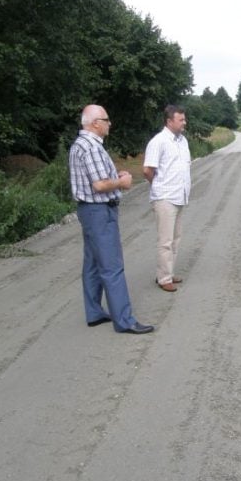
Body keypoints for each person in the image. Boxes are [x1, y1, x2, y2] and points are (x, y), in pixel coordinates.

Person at [68, 104, 154, 334]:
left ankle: (94, 312)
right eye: (106, 119)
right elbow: (99, 185)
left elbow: (93, 178)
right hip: (99, 211)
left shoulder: (80, 144)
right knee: (112, 266)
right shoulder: (93, 147)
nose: (110, 123)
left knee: (93, 264)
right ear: (96, 123)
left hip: (88, 211)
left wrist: (116, 175)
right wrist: (122, 182)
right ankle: (125, 321)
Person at [143, 105, 192, 293]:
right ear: (169, 121)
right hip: (165, 197)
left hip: (179, 196)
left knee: (175, 239)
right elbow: (147, 170)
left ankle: (168, 273)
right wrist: (158, 186)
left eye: (184, 119)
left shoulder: (182, 141)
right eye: (181, 120)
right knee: (165, 240)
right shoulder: (159, 141)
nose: (184, 123)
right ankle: (163, 279)